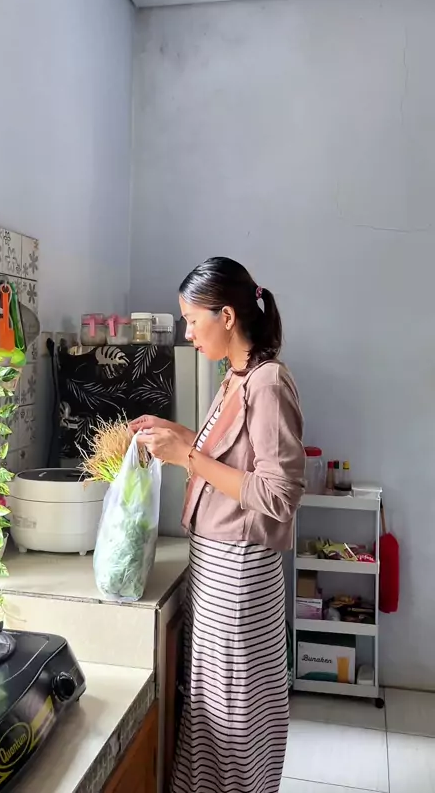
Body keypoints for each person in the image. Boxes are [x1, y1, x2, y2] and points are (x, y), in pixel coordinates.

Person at [132, 256, 305, 793]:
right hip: (216, 566)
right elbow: (230, 456)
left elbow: (278, 494)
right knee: (212, 709)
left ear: (226, 316)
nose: (187, 333)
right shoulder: (236, 377)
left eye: (191, 320)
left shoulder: (268, 382)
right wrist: (174, 434)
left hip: (240, 572)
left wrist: (187, 456)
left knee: (234, 714)